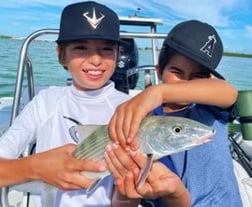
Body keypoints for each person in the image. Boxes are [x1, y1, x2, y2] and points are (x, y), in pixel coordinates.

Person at [0, 1, 131, 206]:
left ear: (117, 55)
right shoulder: (45, 101)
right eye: (81, 48)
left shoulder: (130, 108)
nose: (96, 59)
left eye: (106, 49)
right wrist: (35, 168)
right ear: (61, 55)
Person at [107, 20, 243, 206]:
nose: (186, 82)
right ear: (159, 71)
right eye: (177, 72)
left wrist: (158, 91)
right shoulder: (146, 120)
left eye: (198, 76)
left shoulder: (209, 107)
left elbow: (229, 92)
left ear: (209, 81)